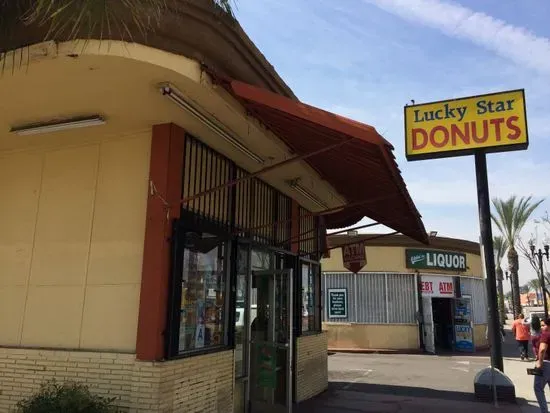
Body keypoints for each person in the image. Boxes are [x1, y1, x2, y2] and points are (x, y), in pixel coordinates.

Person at [532, 318, 550, 412]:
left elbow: (542, 349)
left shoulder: (546, 335)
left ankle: (544, 410)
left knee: (538, 388)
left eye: (543, 325)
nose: (542, 327)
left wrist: (540, 362)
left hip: (546, 364)